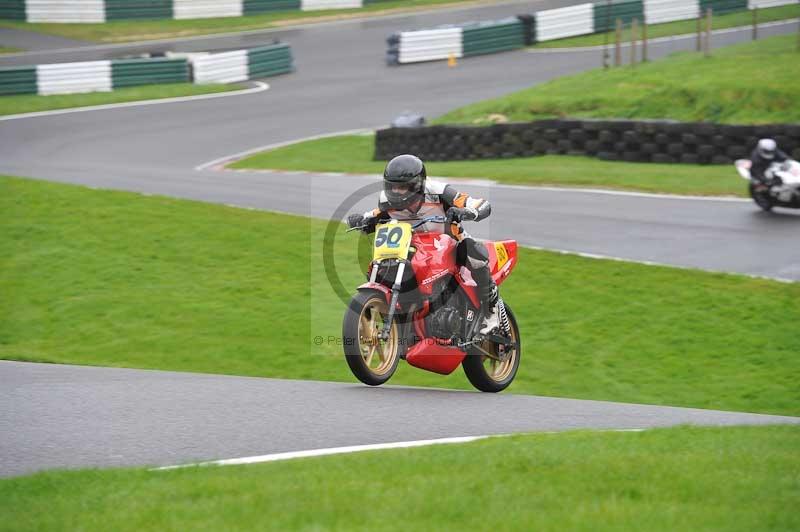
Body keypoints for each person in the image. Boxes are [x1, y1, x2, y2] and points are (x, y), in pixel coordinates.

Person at [347, 154, 499, 334]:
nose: (396, 192)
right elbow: (373, 215)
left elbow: (481, 204)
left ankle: (491, 309)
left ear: (417, 185)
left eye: (402, 187)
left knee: (471, 250)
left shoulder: (440, 192)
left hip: (450, 243)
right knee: (382, 268)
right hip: (415, 247)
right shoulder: (386, 202)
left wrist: (466, 212)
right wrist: (360, 221)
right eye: (392, 186)